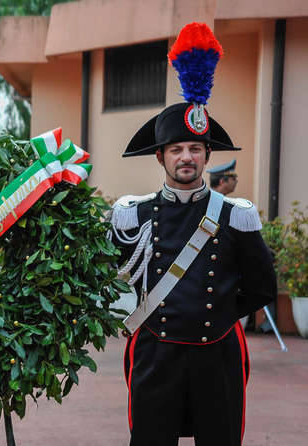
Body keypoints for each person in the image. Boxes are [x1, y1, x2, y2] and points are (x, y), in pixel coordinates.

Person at [109, 23, 276, 446]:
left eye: (195, 149)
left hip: (216, 352)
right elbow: (110, 274)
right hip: (156, 352)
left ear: (207, 155)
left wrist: (218, 311)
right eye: (177, 150)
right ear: (161, 156)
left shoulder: (237, 215)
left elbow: (260, 287)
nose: (187, 157)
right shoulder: (135, 214)